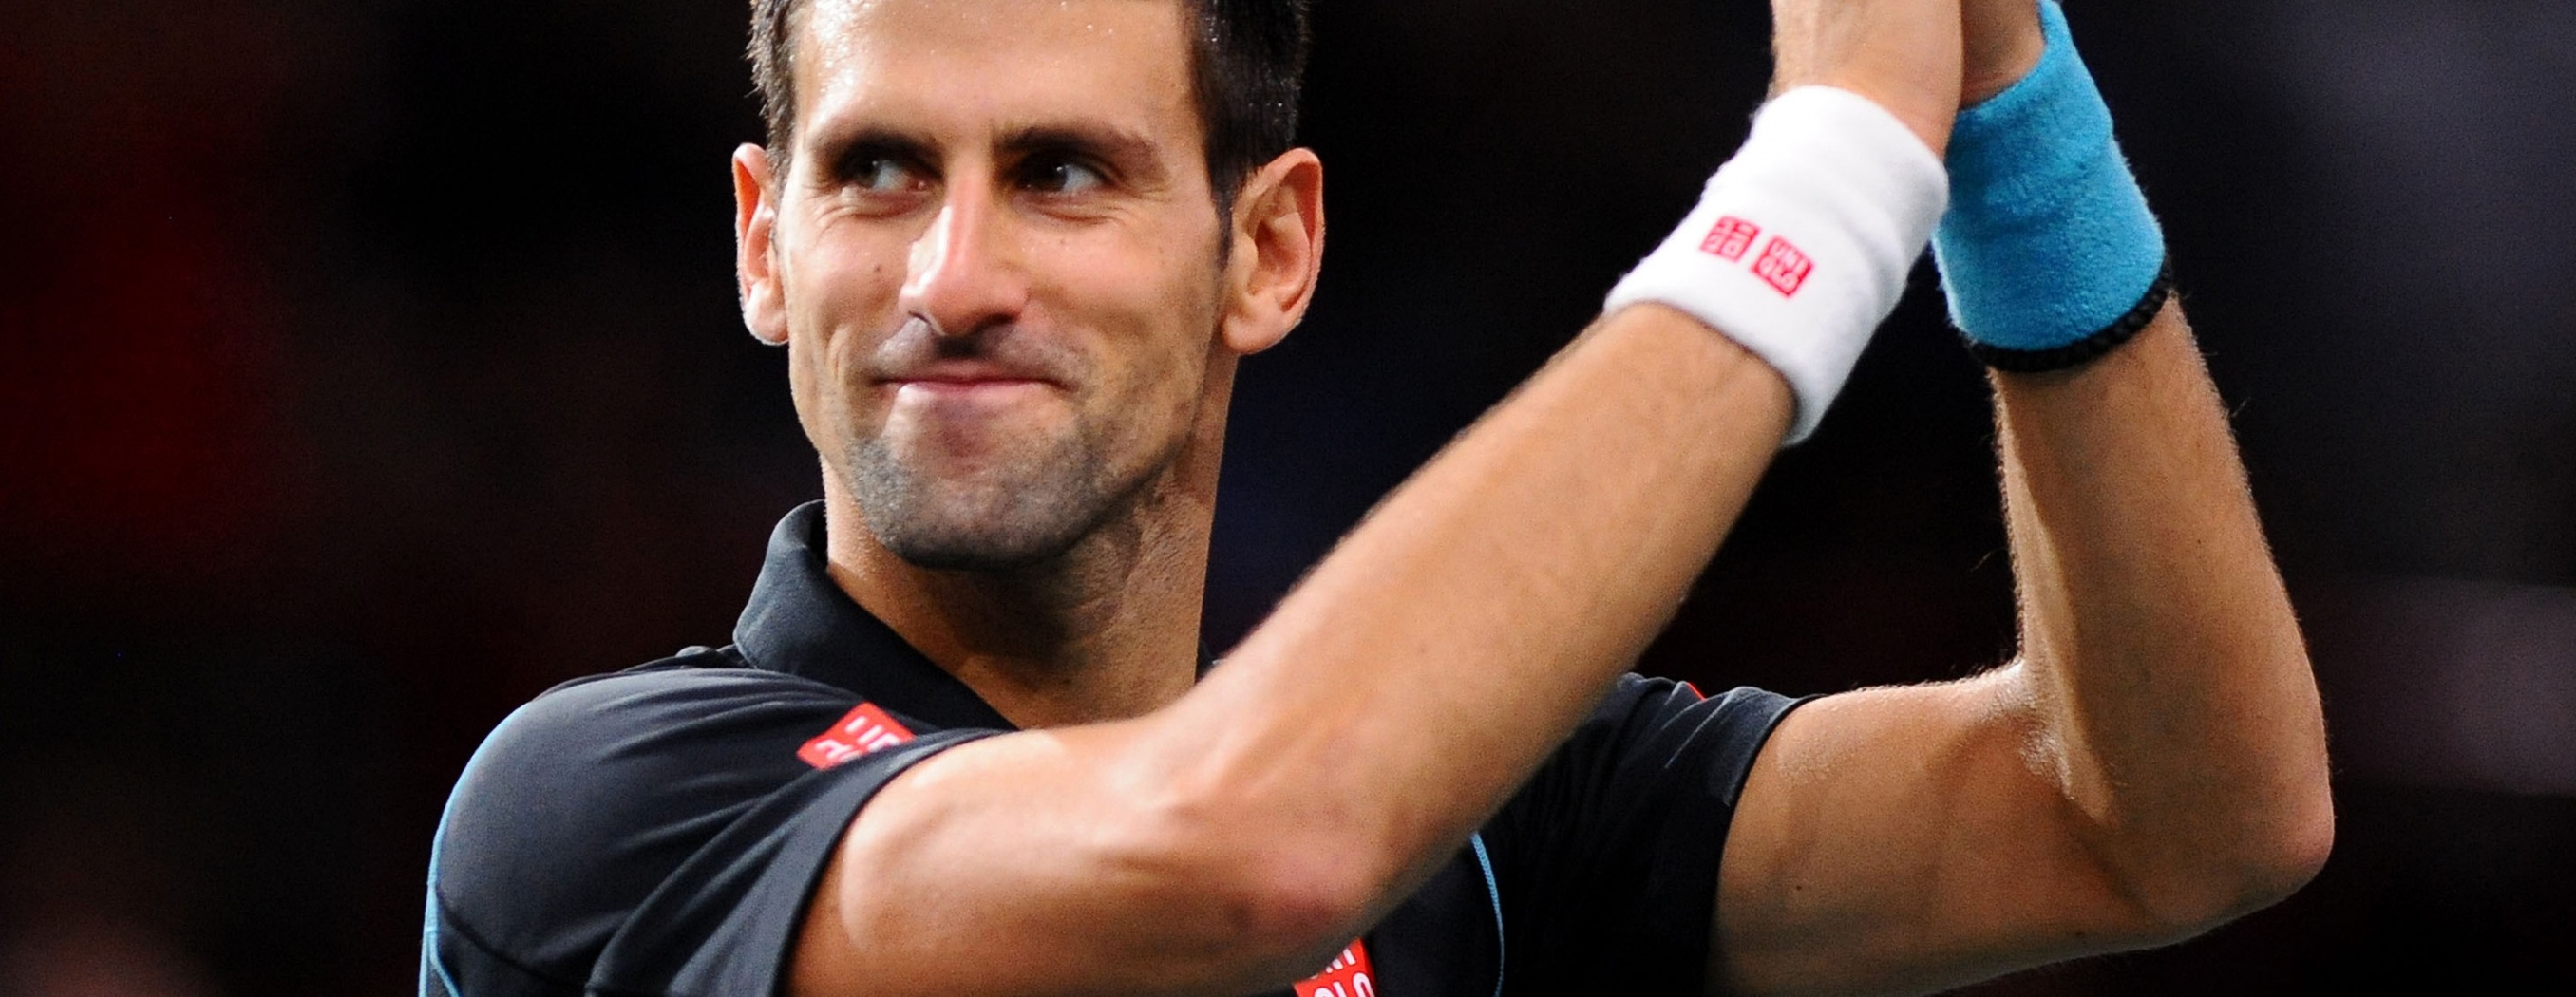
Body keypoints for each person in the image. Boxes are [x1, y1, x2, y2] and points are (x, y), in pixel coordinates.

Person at [420, 0, 2334, 993]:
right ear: (762, 246)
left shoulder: (1490, 831)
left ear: (1270, 249)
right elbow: (1251, 848)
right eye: (878, 173)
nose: (950, 279)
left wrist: (2004, 123)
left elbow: (2169, 818)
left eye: (1064, 173)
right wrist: (1828, 168)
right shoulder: (596, 812)